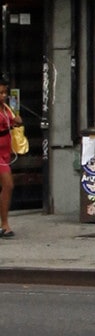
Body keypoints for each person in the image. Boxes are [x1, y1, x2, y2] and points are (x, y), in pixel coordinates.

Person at [0, 82, 19, 238]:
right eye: (0, 93)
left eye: (4, 92)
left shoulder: (6, 109)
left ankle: (4, 223)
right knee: (8, 184)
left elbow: (13, 122)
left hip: (6, 150)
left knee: (6, 187)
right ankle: (5, 224)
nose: (3, 96)